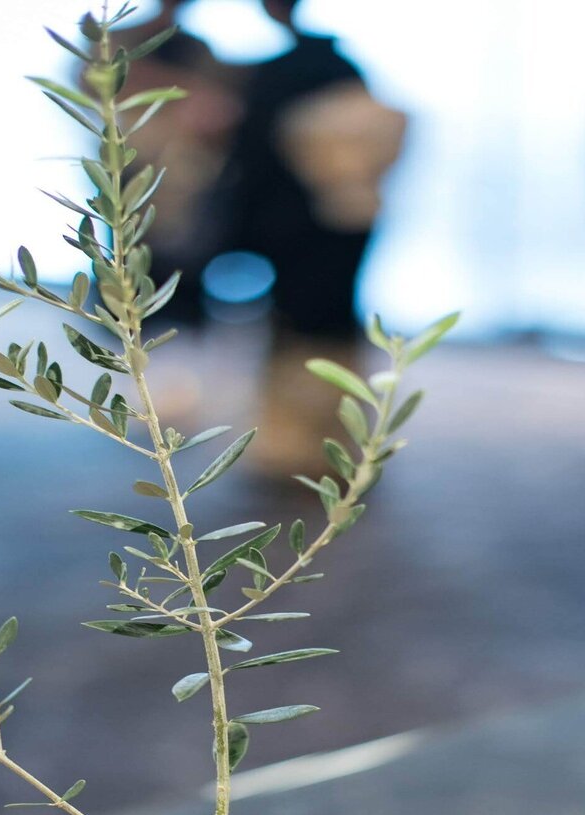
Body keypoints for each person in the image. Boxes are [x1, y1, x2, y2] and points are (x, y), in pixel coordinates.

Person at [213, 0, 405, 475]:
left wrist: (235, 224)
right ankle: (330, 443)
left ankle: (299, 447)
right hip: (343, 220)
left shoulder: (280, 74)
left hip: (295, 221)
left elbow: (252, 157)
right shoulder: (340, 66)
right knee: (330, 321)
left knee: (301, 324)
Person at [124, 0, 243, 327]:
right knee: (129, 264)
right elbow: (95, 77)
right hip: (129, 167)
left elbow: (218, 101)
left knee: (179, 257)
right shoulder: (120, 36)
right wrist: (186, 90)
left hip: (186, 180)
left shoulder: (197, 47)